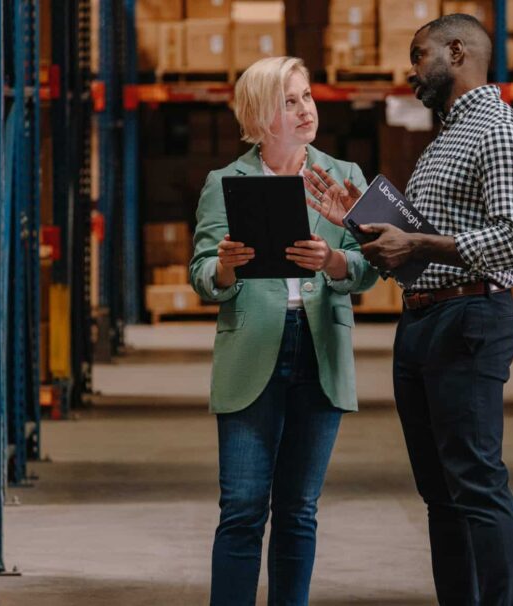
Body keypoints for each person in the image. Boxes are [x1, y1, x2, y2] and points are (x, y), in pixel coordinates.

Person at [305, 14, 513, 605]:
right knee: (440, 494)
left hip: (469, 320)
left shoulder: (498, 130)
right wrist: (359, 224)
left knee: (477, 484)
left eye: (418, 56)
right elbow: (410, 252)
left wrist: (421, 244)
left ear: (456, 52)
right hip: (424, 321)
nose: (411, 71)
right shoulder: (446, 138)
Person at [189, 56, 378, 606]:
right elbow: (202, 274)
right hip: (253, 351)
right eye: (289, 101)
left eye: (308, 97)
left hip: (319, 350)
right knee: (244, 506)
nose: (305, 110)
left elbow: (370, 266)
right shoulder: (225, 183)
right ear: (259, 115)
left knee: (299, 509)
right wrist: (224, 268)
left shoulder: (346, 177)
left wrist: (335, 263)